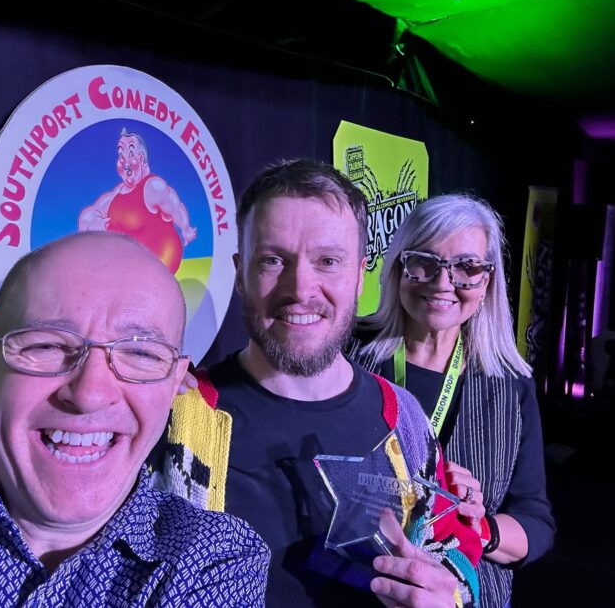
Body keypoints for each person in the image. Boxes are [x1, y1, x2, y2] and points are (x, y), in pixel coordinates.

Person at [0, 233, 269, 606]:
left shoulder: (214, 559)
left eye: (141, 354)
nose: (88, 394)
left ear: (173, 385)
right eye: (46, 345)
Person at [154, 160, 481, 608]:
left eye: (328, 261)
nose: (301, 287)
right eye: (273, 260)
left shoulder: (403, 419)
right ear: (239, 272)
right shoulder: (175, 418)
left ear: (360, 274)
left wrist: (452, 594)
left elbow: (454, 548)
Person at [348, 194, 555, 608]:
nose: (443, 283)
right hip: (354, 583)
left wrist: (479, 528)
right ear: (398, 267)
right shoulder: (347, 354)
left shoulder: (510, 387)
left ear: (487, 281)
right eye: (424, 261)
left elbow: (536, 522)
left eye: (466, 267)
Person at [79, 128, 197, 273]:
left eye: (130, 153)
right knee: (88, 218)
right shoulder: (118, 192)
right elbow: (91, 213)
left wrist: (185, 229)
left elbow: (175, 207)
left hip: (158, 263)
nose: (124, 160)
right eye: (121, 154)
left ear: (141, 158)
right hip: (127, 265)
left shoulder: (153, 187)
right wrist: (95, 223)